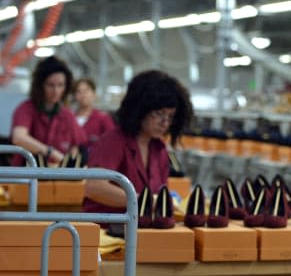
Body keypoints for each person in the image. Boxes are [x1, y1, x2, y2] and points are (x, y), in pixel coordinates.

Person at [83, 69, 193, 215]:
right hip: (105, 230)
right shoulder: (113, 141)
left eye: (170, 116)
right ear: (140, 109)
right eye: (159, 113)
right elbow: (94, 187)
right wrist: (144, 201)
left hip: (140, 230)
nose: (165, 122)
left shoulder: (159, 149)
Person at [10, 56, 86, 165]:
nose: (56, 91)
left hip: (57, 178)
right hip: (25, 176)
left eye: (60, 85)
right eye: (51, 85)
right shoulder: (26, 109)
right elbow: (19, 137)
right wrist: (51, 152)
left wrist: (70, 159)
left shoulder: (67, 115)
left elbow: (77, 145)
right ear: (40, 85)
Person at [73, 77, 116, 151]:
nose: (83, 95)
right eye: (79, 91)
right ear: (74, 95)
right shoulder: (69, 118)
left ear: (94, 94)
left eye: (86, 91)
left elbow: (113, 141)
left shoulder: (103, 118)